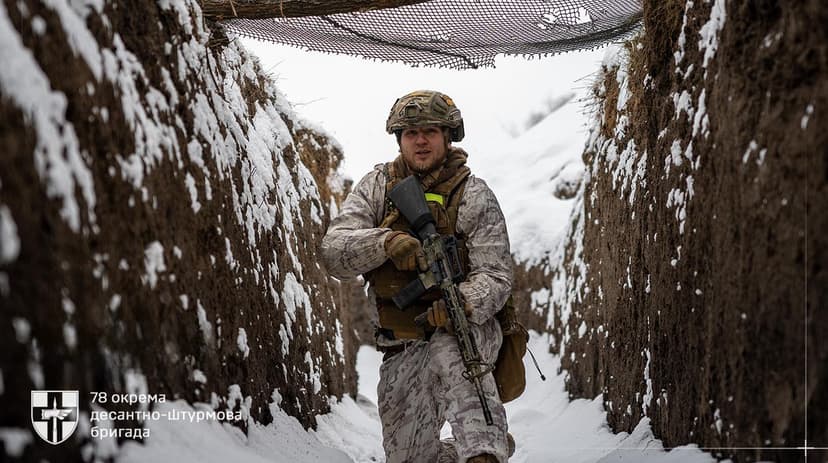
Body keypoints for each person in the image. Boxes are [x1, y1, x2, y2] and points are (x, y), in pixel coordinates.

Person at [321, 90, 513, 463]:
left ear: (447, 136)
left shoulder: (473, 195)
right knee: (410, 458)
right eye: (411, 133)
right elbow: (333, 252)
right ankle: (458, 453)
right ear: (399, 139)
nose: (420, 141)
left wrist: (462, 303)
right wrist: (385, 243)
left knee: (451, 348)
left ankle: (484, 451)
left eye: (430, 131)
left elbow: (496, 275)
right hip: (403, 343)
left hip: (467, 330)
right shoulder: (377, 187)